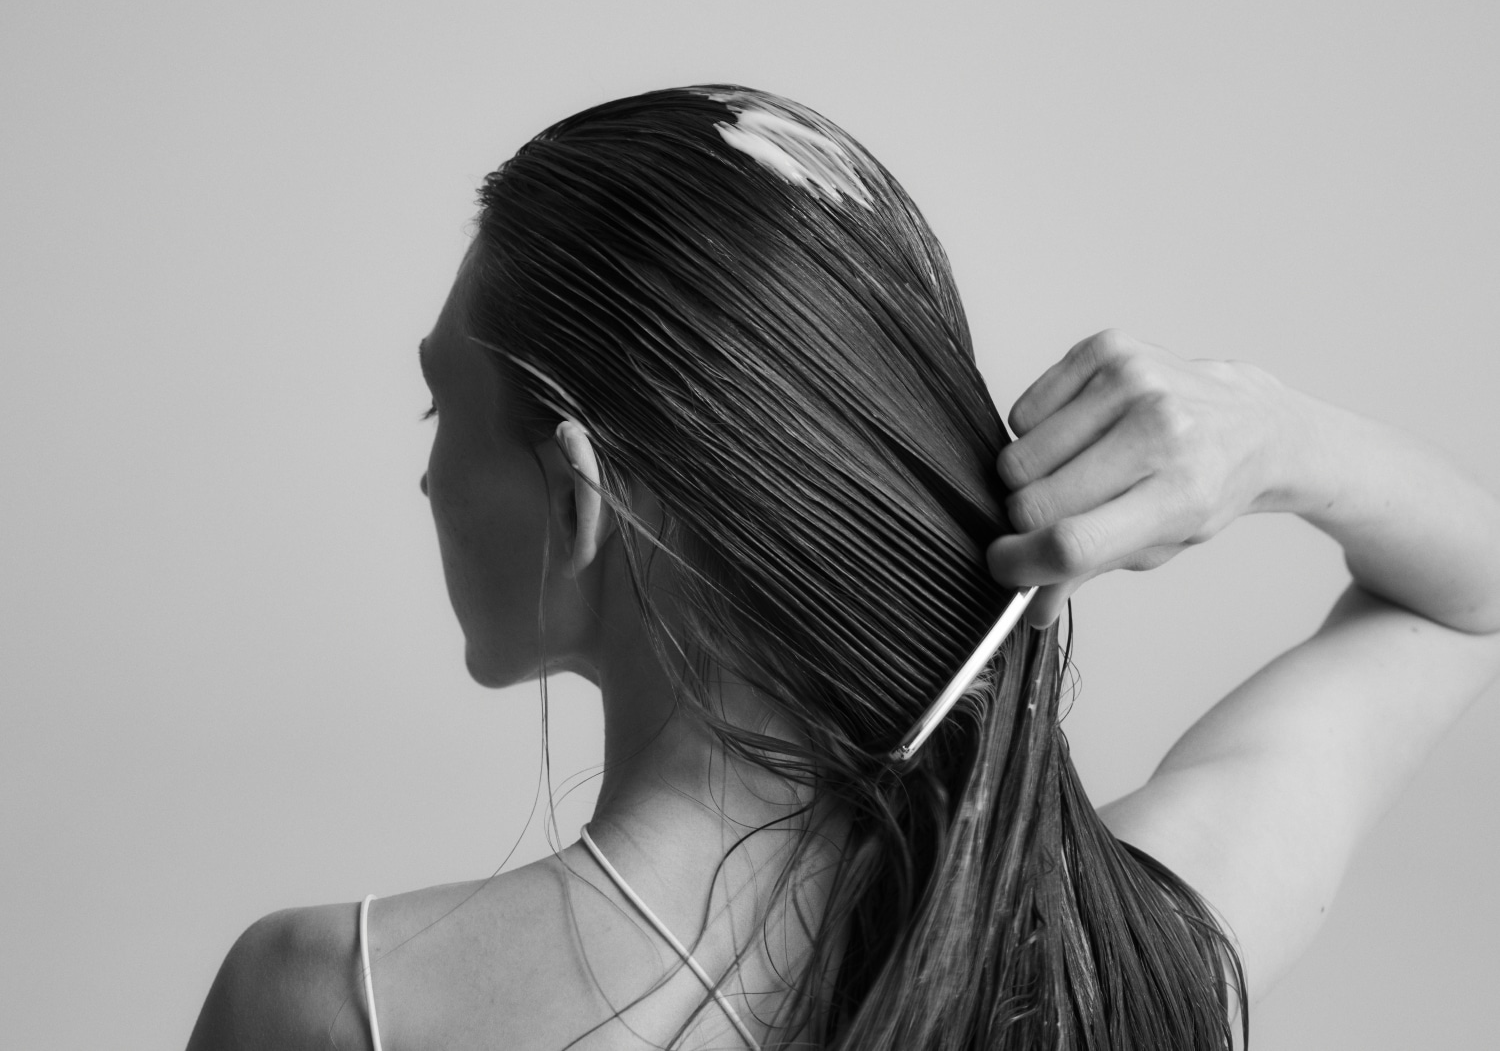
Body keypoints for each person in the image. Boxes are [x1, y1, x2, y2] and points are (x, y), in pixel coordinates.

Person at [185, 86, 1500, 1051]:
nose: (425, 475)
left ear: (580, 493)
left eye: (440, 414)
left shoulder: (327, 1002)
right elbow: (1470, 600)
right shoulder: (1122, 967)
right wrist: (1273, 437)